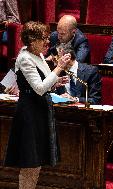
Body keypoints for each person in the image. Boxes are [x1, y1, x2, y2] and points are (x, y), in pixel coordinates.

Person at [4, 21, 71, 189]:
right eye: (43, 39)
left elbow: (45, 82)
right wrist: (59, 68)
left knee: (37, 163)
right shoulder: (25, 58)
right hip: (29, 113)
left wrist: (57, 81)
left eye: (47, 38)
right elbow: (40, 88)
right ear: (32, 41)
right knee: (29, 164)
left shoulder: (38, 54)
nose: (47, 42)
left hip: (41, 111)